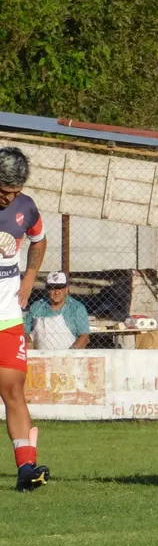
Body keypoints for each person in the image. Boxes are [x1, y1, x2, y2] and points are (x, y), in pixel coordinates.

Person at [0, 147, 49, 491]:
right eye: (5, 190)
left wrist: (30, 275)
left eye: (15, 191)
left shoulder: (25, 207)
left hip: (6, 316)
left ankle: (26, 469)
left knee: (13, 389)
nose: (10, 197)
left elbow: (39, 239)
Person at [24, 272, 90, 350]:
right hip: (41, 357)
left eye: (60, 287)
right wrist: (27, 342)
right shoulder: (36, 307)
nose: (57, 292)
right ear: (47, 289)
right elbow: (24, 331)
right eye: (53, 288)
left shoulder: (77, 308)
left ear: (66, 289)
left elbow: (84, 337)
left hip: (68, 357)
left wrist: (71, 352)